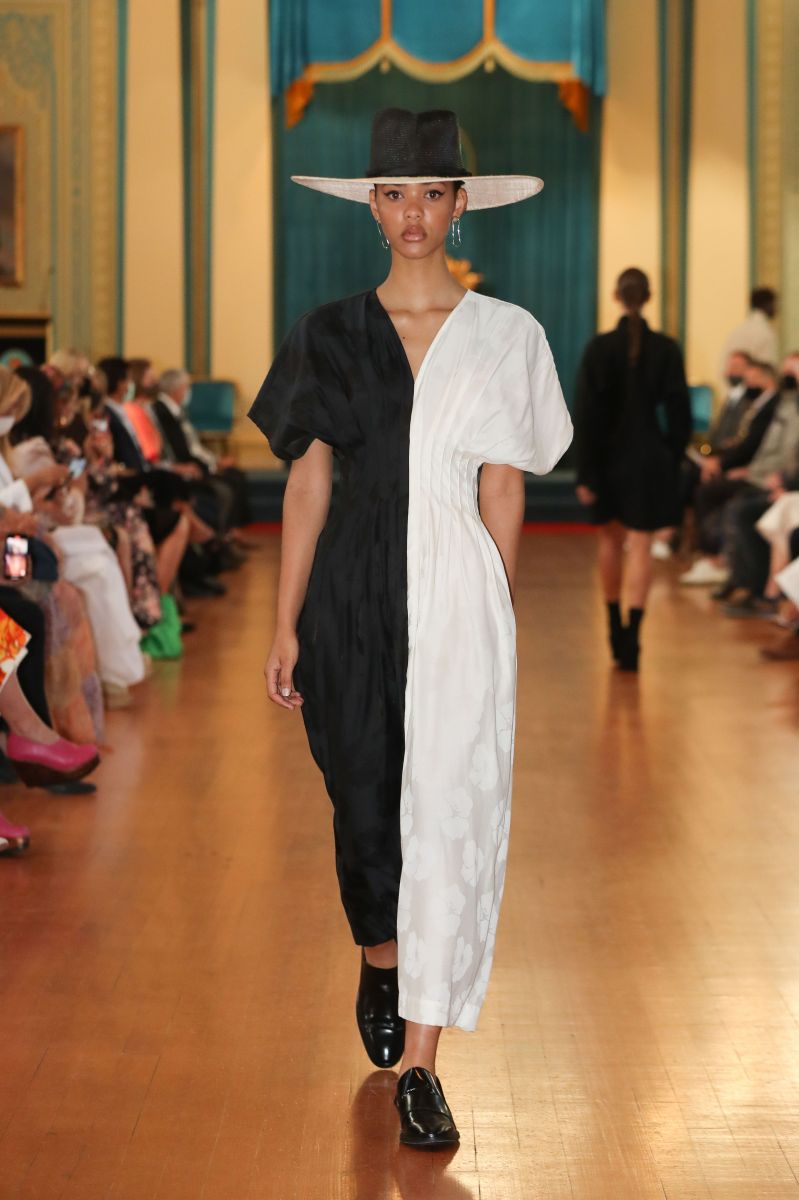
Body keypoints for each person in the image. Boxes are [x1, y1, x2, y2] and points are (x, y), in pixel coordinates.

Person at [249, 107, 572, 1149]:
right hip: (347, 591)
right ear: (372, 209)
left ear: (460, 204)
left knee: (449, 808)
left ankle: (423, 1065)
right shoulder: (326, 333)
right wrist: (284, 621)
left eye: (433, 193)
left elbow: (503, 488)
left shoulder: (508, 334)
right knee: (363, 804)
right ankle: (381, 956)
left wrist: (499, 613)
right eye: (394, 194)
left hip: (458, 595)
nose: (413, 212)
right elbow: (308, 482)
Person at [574, 268, 691, 670]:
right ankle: (634, 636)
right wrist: (669, 456)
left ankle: (613, 627)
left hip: (607, 458)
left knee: (610, 542)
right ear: (649, 297)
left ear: (616, 297)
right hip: (649, 459)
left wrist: (586, 471)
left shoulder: (599, 348)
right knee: (640, 545)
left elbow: (586, 415)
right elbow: (680, 414)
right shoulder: (667, 349)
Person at [680, 361, 779, 587]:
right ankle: (693, 547)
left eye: (753, 380)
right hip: (751, 468)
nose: (748, 384)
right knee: (692, 474)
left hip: (760, 474)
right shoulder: (754, 405)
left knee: (711, 493)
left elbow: (755, 447)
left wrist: (730, 465)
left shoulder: (773, 407)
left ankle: (716, 559)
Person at [719, 286, 779, 379]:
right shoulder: (765, 333)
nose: (777, 308)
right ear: (767, 304)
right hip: (753, 384)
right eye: (775, 304)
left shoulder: (739, 330)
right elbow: (768, 370)